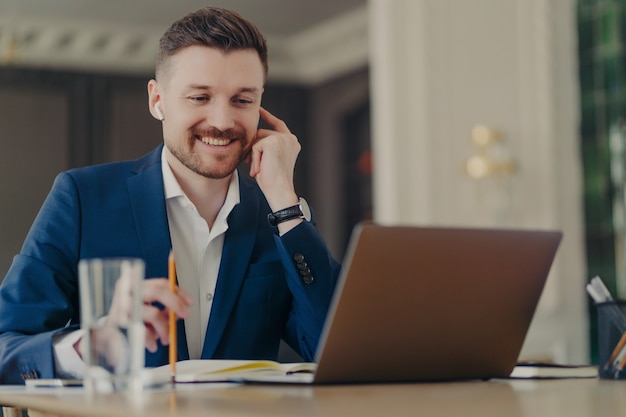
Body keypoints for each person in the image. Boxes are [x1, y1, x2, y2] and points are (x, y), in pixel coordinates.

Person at [0, 6, 341, 385]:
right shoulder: (81, 199)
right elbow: (5, 346)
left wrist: (285, 203)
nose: (223, 121)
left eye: (242, 100)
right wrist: (88, 347)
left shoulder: (281, 217)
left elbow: (336, 352)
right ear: (157, 100)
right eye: (199, 97)